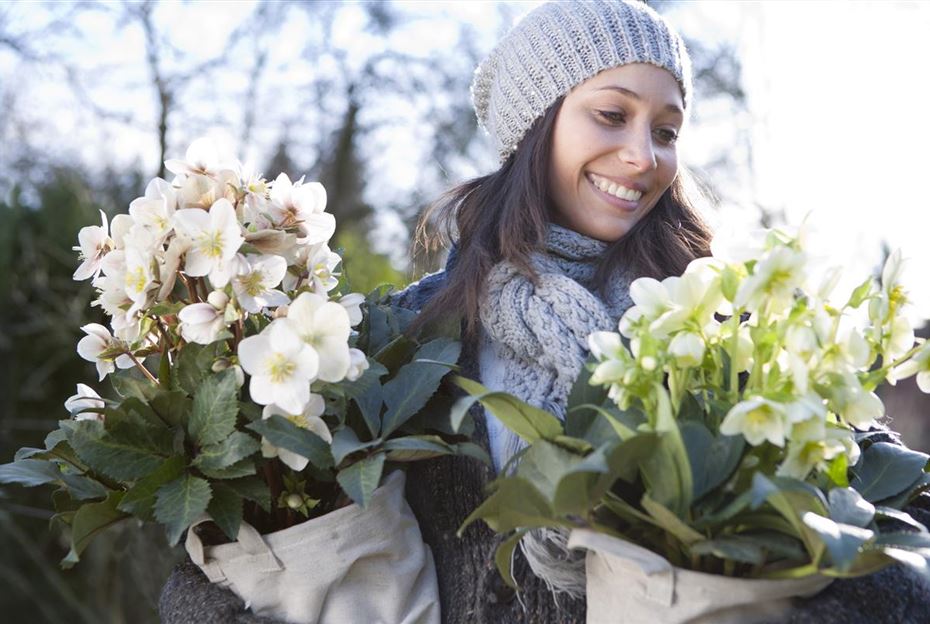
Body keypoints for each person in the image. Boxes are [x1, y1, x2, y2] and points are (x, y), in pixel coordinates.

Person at [159, 2, 930, 623]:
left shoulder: (732, 330)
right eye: (610, 114)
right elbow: (204, 583)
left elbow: (903, 532)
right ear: (538, 125)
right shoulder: (396, 342)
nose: (644, 155)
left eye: (666, 131)